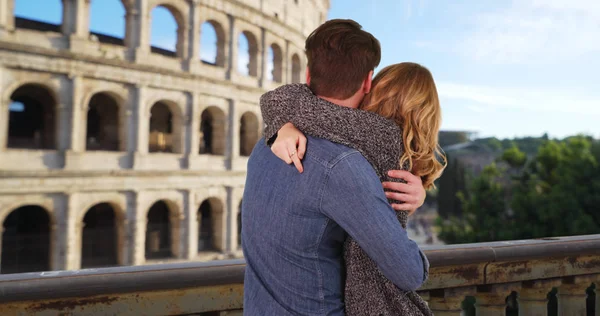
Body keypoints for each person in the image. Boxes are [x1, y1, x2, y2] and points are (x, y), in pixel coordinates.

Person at [242, 19, 432, 316]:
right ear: (368, 81)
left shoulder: (267, 143)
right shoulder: (343, 167)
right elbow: (409, 272)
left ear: (308, 74)